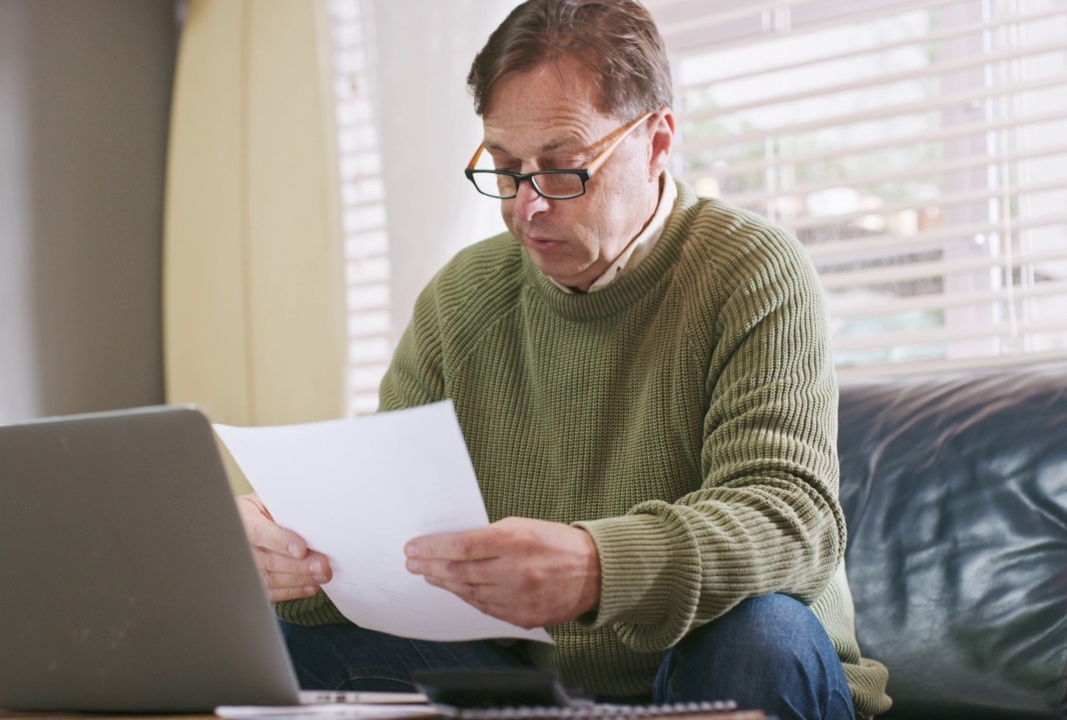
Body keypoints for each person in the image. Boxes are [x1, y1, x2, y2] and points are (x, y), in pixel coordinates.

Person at [237, 1, 891, 718]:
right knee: (270, 640)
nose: (528, 208)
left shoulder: (751, 271)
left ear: (657, 140)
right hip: (528, 684)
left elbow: (791, 519)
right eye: (507, 169)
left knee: (759, 637)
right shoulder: (461, 299)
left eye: (562, 168)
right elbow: (397, 546)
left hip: (712, 661)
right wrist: (293, 559)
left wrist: (598, 568)